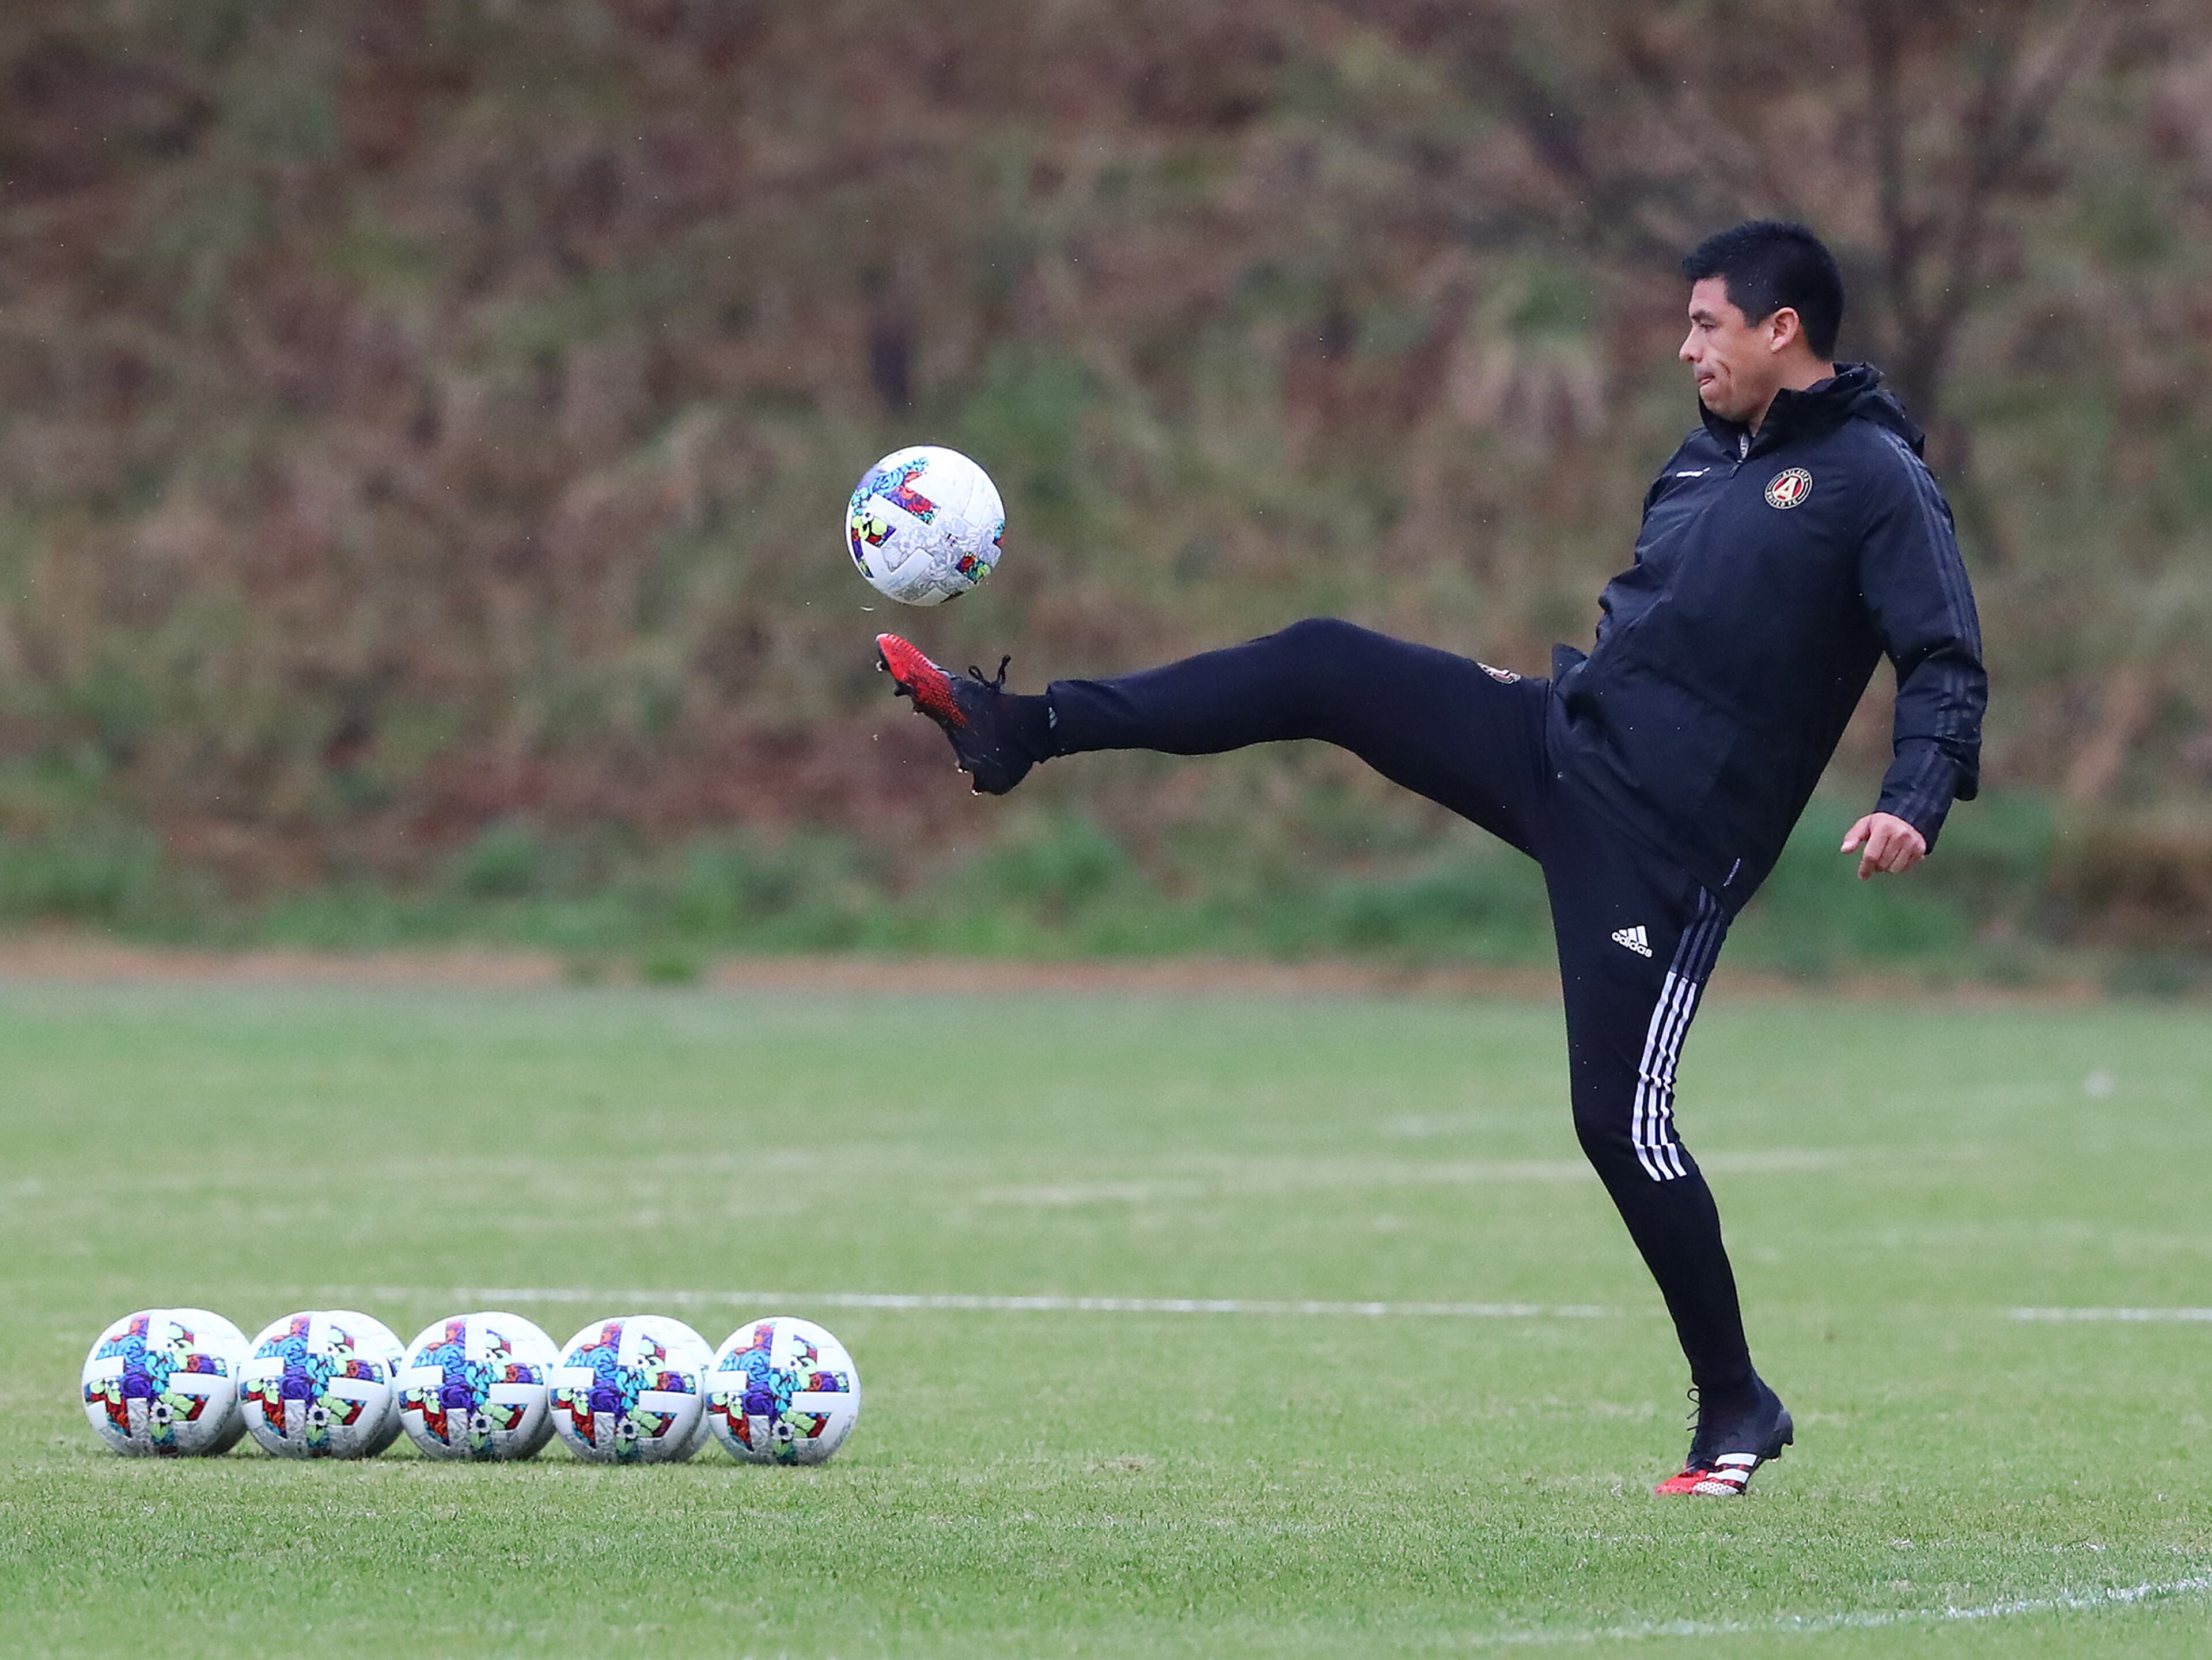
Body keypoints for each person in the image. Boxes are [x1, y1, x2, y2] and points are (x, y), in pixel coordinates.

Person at [873, 220, 1987, 1497]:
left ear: (1781, 329)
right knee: (1322, 663)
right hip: (1557, 744)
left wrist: (1915, 796)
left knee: (1619, 1126)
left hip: (1665, 849)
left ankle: (1738, 1400)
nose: (1685, 346)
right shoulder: (1701, 461)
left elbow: (1944, 653)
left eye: (1707, 326)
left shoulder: (1873, 477)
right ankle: (1024, 729)